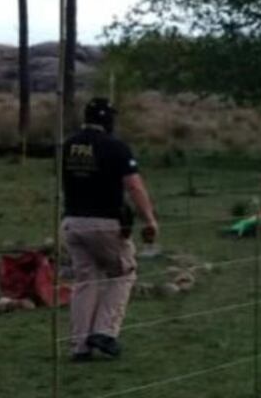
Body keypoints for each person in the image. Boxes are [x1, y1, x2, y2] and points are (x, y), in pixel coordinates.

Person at [61, 97, 159, 361]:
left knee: (85, 282)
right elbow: (135, 187)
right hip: (104, 223)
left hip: (72, 222)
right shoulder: (116, 147)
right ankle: (104, 332)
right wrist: (149, 219)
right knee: (123, 273)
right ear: (108, 120)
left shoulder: (69, 145)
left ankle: (80, 346)